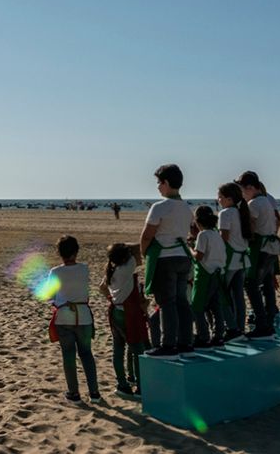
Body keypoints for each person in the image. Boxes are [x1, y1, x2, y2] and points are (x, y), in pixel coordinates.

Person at [140, 164, 194, 358]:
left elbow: (147, 235)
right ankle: (186, 341)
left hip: (165, 257)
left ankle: (168, 344)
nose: (158, 186)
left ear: (167, 183)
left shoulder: (160, 207)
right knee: (181, 301)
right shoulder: (186, 207)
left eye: (159, 182)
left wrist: (144, 252)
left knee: (167, 302)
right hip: (182, 256)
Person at [47, 235, 101, 402]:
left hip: (64, 317)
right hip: (83, 316)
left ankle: (74, 392)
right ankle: (94, 392)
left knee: (68, 356)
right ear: (76, 252)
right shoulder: (84, 268)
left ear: (59, 253)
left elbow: (48, 295)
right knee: (86, 354)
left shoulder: (55, 272)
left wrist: (59, 299)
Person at [236, 171, 280, 339]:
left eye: (242, 189)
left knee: (251, 284)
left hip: (261, 248)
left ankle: (262, 323)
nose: (241, 194)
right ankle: (269, 317)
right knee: (267, 282)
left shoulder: (254, 204)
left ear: (249, 187)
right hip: (271, 247)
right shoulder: (266, 200)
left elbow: (251, 226)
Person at [99, 243, 148, 396]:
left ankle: (122, 384)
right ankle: (141, 387)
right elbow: (138, 248)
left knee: (118, 350)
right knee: (138, 349)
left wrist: (111, 298)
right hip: (128, 314)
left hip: (115, 311)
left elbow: (102, 287)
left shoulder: (112, 271)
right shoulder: (127, 268)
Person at [217, 182, 251, 338]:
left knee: (222, 294)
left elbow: (224, 238)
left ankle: (231, 328)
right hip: (242, 259)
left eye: (220, 197)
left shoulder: (226, 213)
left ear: (229, 199)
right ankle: (240, 327)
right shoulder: (241, 212)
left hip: (230, 259)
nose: (218, 200)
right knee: (238, 296)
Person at [190, 206, 227, 348]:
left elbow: (199, 256)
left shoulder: (203, 235)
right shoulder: (216, 234)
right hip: (218, 273)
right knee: (215, 306)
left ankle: (203, 336)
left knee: (197, 307)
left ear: (198, 221)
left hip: (205, 274)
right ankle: (219, 335)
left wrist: (190, 249)